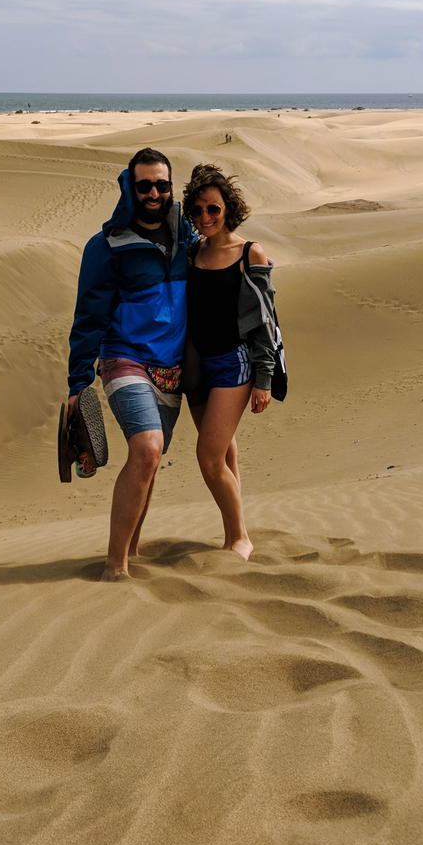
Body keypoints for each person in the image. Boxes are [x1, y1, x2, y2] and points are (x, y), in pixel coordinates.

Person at [67, 148, 194, 580]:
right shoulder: (106, 246)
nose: (154, 193)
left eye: (162, 184)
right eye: (144, 186)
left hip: (173, 367)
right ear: (130, 187)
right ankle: (114, 565)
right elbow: (89, 316)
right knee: (147, 447)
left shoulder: (189, 235)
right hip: (124, 357)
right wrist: (77, 382)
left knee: (150, 459)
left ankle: (133, 550)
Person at [182, 163, 278, 561]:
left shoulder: (248, 253)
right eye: (199, 210)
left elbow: (266, 320)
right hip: (195, 365)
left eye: (214, 209)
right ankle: (233, 532)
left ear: (228, 210)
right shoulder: (191, 252)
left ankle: (240, 538)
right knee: (224, 452)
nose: (205, 217)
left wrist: (264, 378)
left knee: (208, 457)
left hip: (233, 364)